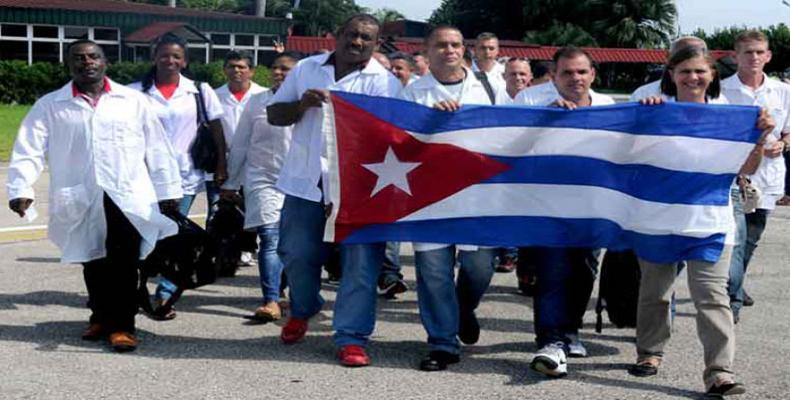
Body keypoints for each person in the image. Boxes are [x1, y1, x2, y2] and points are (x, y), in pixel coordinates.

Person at [6, 40, 183, 352]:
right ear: (69, 64)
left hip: (126, 194)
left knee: (125, 262)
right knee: (92, 259)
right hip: (80, 194)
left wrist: (168, 190)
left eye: (93, 57)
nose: (86, 62)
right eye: (78, 58)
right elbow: (29, 148)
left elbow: (157, 147)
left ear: (105, 62)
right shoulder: (51, 105)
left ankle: (123, 326)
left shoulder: (132, 101)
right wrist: (21, 189)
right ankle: (100, 316)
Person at [630, 46, 774, 397]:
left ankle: (719, 371)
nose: (692, 78)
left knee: (711, 297)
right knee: (656, 294)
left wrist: (757, 137)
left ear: (711, 76)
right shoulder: (654, 109)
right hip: (657, 219)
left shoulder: (730, 116)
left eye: (700, 72)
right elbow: (625, 152)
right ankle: (650, 353)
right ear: (672, 74)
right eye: (684, 71)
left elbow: (747, 168)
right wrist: (643, 117)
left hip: (709, 221)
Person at [266, 14, 401, 368]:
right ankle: (305, 307)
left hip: (360, 187)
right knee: (295, 253)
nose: (357, 42)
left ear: (375, 44)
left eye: (366, 38)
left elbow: (394, 136)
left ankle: (351, 336)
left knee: (360, 263)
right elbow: (275, 115)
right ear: (337, 35)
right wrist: (302, 105)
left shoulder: (384, 82)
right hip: (306, 180)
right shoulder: (307, 68)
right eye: (352, 34)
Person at [400, 25, 497, 372]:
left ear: (464, 48)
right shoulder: (413, 92)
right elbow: (398, 142)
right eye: (441, 45)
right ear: (427, 50)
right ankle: (442, 342)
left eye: (455, 44)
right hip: (429, 196)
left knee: (479, 267)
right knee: (434, 272)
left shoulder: (489, 87)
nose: (449, 50)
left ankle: (462, 307)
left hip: (476, 194)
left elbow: (516, 131)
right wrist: (429, 122)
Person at [514, 47, 615, 378]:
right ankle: (550, 340)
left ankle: (570, 333)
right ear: (554, 75)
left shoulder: (608, 107)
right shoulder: (530, 101)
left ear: (593, 75)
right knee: (553, 270)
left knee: (584, 270)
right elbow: (510, 146)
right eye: (568, 73)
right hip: (546, 204)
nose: (576, 78)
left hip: (590, 206)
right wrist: (545, 119)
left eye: (582, 72)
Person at [129, 33, 228, 318]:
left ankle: (164, 293)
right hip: (142, 175)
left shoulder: (199, 90)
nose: (169, 60)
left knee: (173, 234)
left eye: (176, 56)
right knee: (142, 236)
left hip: (183, 176)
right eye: (164, 55)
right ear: (154, 57)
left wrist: (221, 164)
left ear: (184, 61)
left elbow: (217, 129)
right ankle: (135, 289)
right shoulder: (134, 92)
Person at [221, 51, 302, 322]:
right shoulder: (257, 102)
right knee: (269, 237)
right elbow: (242, 143)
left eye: (286, 69)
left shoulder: (310, 102)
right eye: (275, 68)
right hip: (263, 178)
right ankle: (270, 299)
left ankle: (284, 292)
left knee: (293, 244)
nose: (278, 73)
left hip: (300, 182)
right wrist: (231, 181)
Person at [721, 30, 790, 323]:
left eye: (760, 52)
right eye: (748, 52)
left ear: (769, 56)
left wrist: (783, 143)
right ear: (735, 56)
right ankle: (730, 296)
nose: (754, 58)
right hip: (733, 174)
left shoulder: (782, 91)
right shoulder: (721, 89)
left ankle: (735, 282)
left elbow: (788, 130)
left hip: (768, 174)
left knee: (751, 238)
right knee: (733, 239)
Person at [215, 51, 267, 266]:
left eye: (242, 67)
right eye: (232, 66)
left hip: (257, 161)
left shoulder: (263, 95)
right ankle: (224, 251)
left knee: (251, 208)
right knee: (222, 208)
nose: (236, 71)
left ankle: (247, 247)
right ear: (224, 69)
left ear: (251, 71)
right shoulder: (214, 95)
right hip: (223, 161)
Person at [630, 36, 708, 101]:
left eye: (696, 53)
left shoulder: (718, 100)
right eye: (681, 56)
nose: (693, 77)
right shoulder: (643, 94)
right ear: (668, 57)